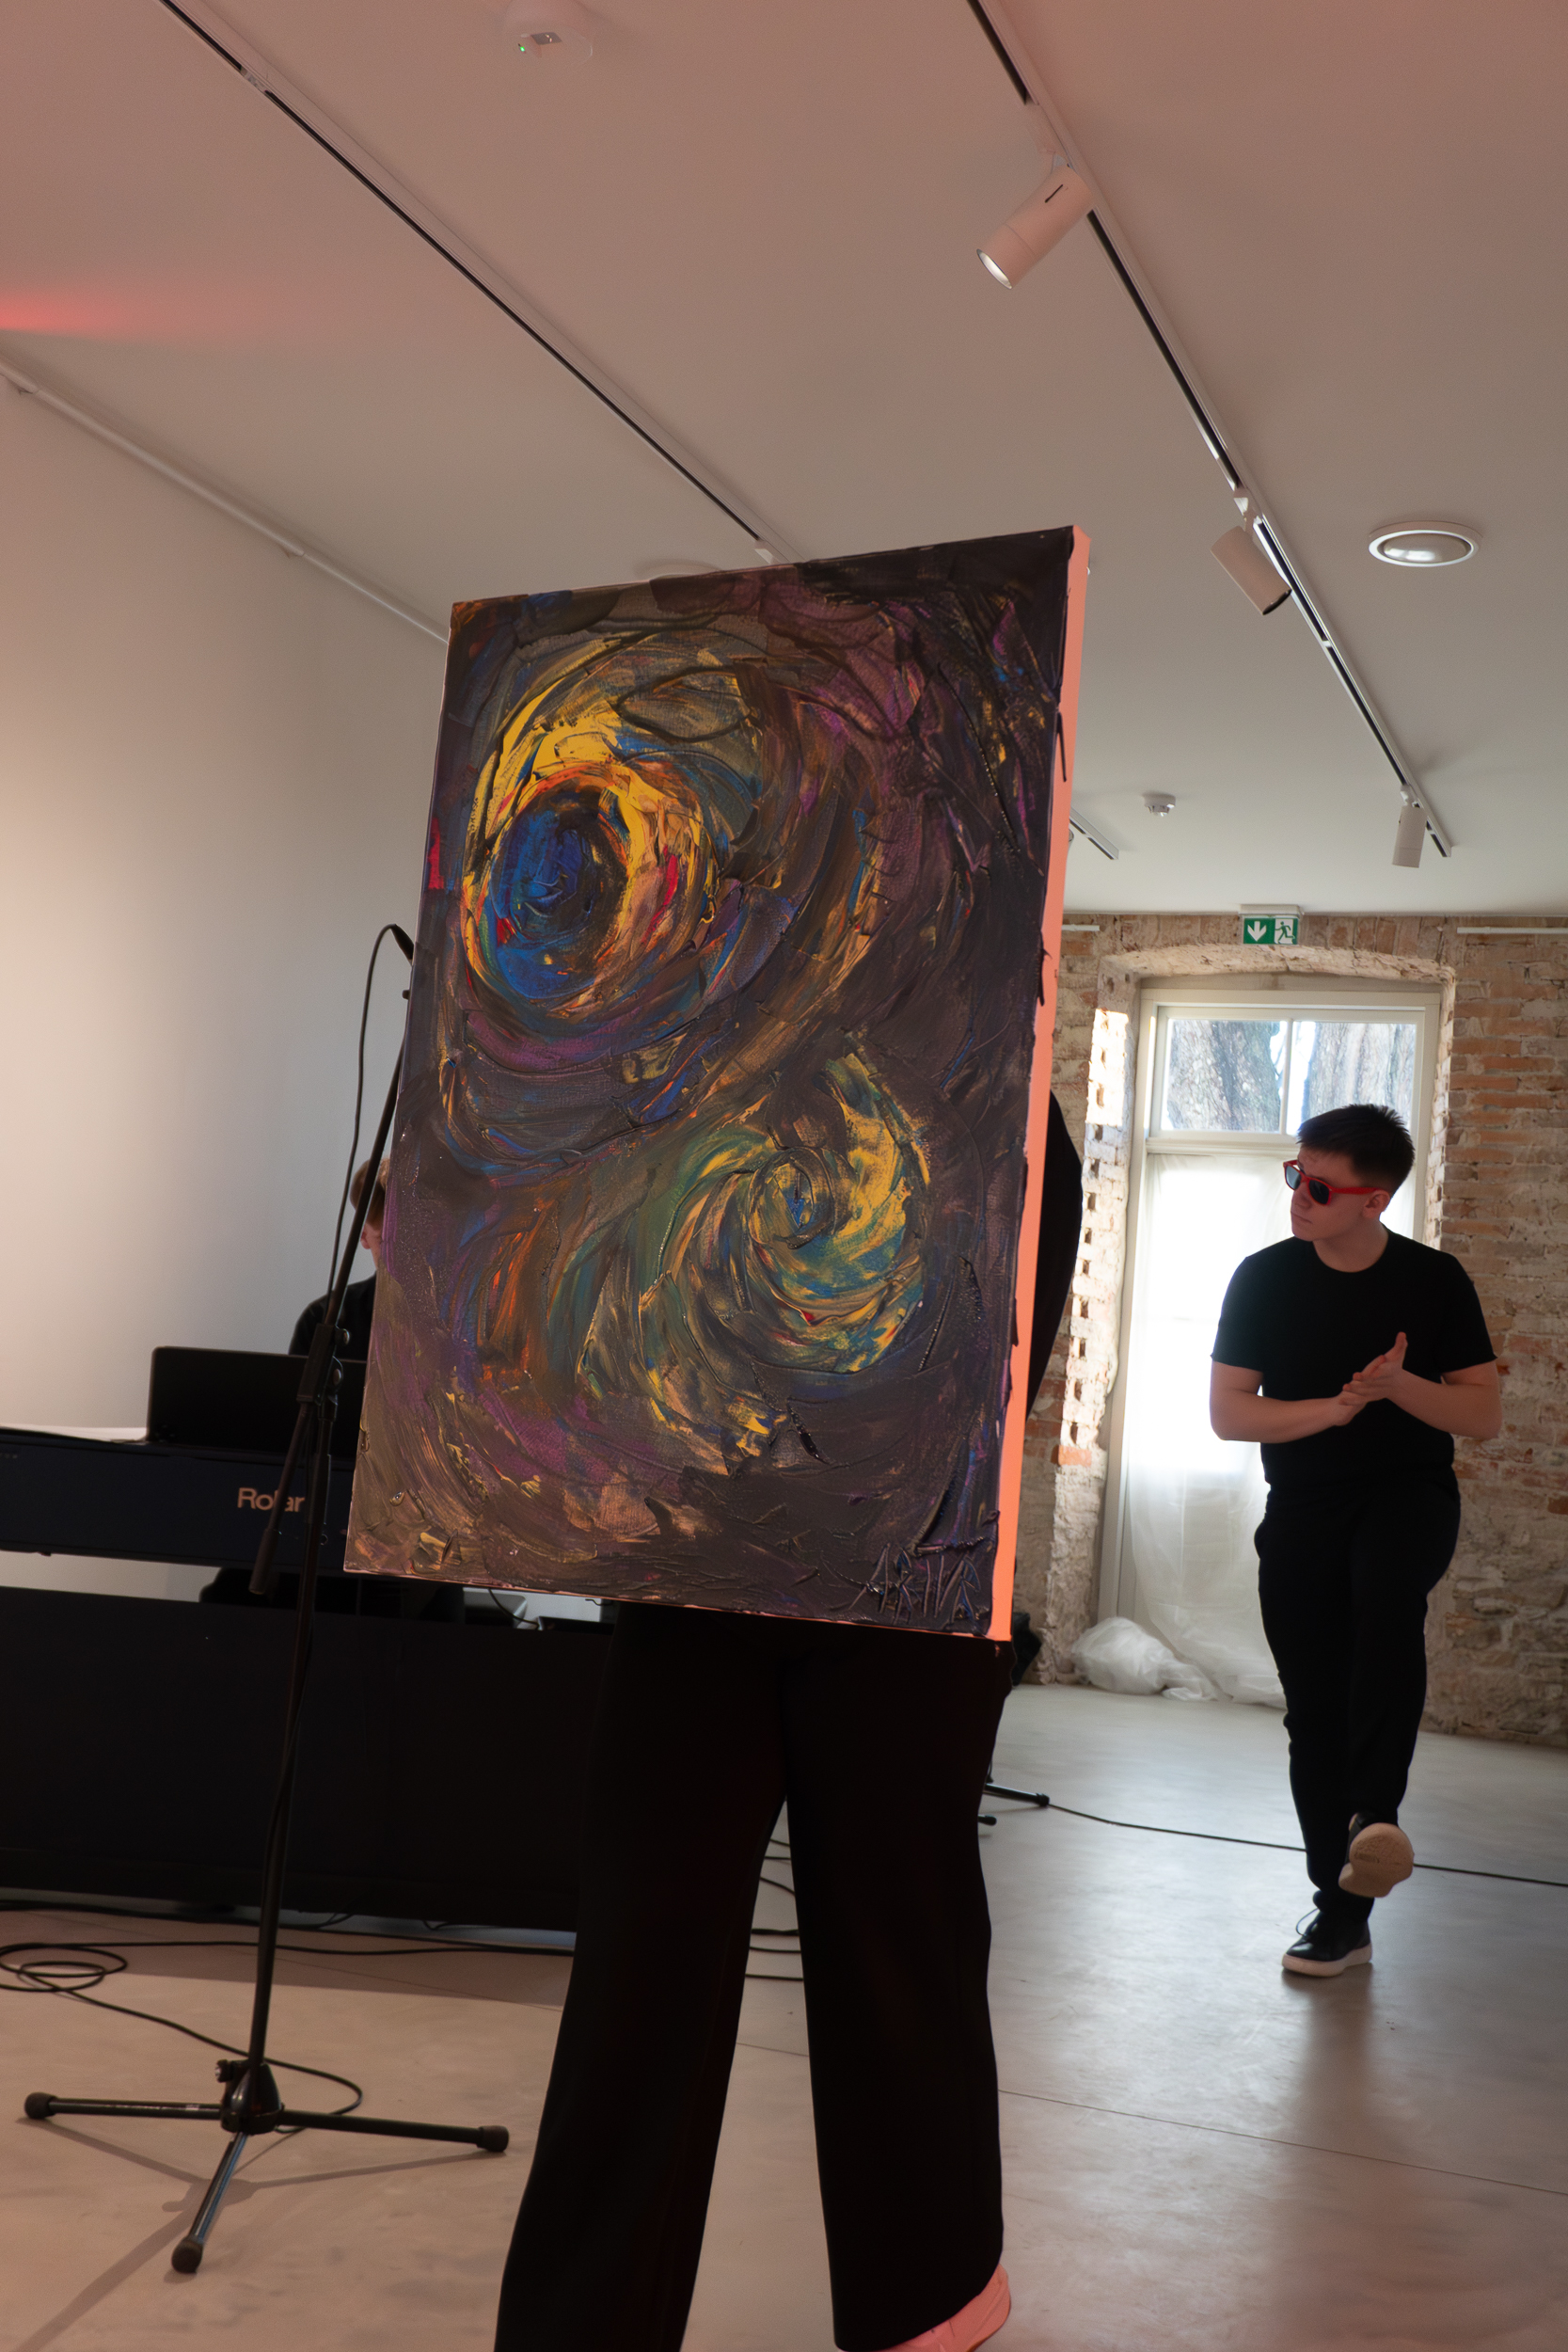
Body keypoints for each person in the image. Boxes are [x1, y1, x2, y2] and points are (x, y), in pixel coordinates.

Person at [491, 1104, 1084, 2352]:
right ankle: (583, 2325)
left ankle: (927, 2312)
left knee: (897, 1953)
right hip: (693, 1587)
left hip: (904, 1599)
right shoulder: (705, 1087)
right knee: (641, 1963)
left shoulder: (1006, 1103)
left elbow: (990, 1377)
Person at [1209, 1103, 1499, 1978]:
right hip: (1303, 1501)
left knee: (1383, 1597)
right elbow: (1230, 1415)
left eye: (1321, 1187)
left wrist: (1398, 1386)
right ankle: (1339, 1908)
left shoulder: (1433, 1280)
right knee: (1312, 1710)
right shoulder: (1263, 1278)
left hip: (1407, 1492)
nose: (1299, 1196)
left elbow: (1480, 1414)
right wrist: (1334, 1409)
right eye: (1295, 1176)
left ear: (1374, 1201)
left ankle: (1374, 1813)